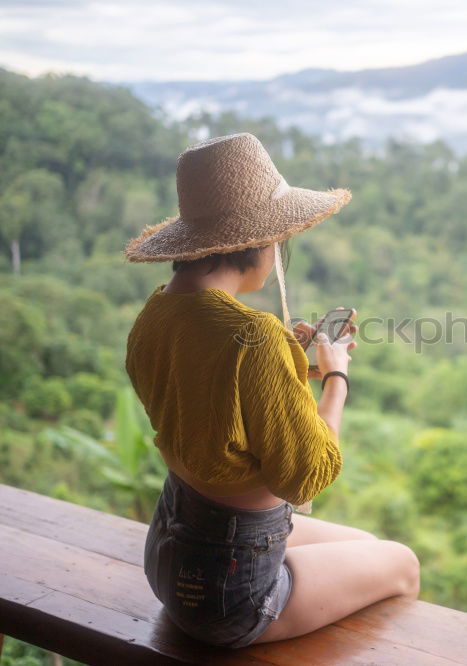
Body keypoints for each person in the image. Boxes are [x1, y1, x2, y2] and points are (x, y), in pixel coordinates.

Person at [122, 133, 420, 648]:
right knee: (403, 564)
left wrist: (288, 358)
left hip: (172, 552)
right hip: (231, 592)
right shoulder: (255, 337)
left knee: (366, 545)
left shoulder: (157, 314)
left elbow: (211, 389)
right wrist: (335, 376)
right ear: (257, 241)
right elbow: (305, 477)